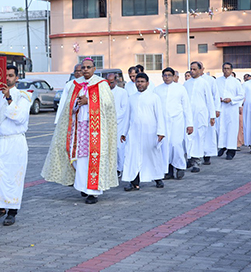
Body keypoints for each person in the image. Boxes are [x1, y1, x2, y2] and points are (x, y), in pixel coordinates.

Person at [42, 58, 118, 204]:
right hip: (79, 128)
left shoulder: (101, 84)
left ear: (94, 69)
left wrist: (89, 102)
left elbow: (108, 104)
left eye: (88, 67)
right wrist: (77, 104)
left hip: (95, 129)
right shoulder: (75, 85)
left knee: (92, 158)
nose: (85, 70)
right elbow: (67, 107)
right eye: (83, 68)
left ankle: (93, 192)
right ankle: (83, 186)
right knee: (79, 158)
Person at [0, 65, 31, 226]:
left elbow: (19, 118)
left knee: (13, 178)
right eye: (6, 75)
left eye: (11, 76)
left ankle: (12, 211)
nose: (8, 78)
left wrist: (9, 98)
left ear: (17, 78)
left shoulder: (22, 96)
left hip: (14, 143)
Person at [121, 73, 166, 191]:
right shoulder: (131, 98)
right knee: (133, 156)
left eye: (142, 81)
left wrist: (161, 132)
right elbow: (127, 117)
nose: (139, 84)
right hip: (134, 133)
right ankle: (133, 181)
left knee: (152, 155)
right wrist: (123, 133)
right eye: (138, 82)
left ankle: (157, 178)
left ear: (147, 83)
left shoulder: (154, 97)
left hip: (150, 132)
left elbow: (160, 116)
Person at [154, 68, 193, 180]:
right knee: (165, 147)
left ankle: (180, 167)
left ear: (173, 76)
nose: (167, 77)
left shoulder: (180, 89)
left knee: (176, 144)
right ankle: (168, 170)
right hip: (162, 122)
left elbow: (187, 107)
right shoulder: (157, 90)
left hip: (177, 121)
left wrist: (189, 124)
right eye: (165, 75)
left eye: (169, 75)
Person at [184, 62, 216, 173]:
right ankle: (190, 158)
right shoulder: (186, 84)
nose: (192, 71)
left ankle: (197, 161)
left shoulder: (204, 83)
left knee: (199, 136)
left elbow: (209, 100)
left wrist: (212, 115)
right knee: (189, 137)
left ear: (200, 70)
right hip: (188, 115)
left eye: (194, 69)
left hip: (201, 114)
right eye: (191, 69)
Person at [216, 62, 245, 160]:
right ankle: (222, 146)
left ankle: (231, 151)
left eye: (228, 68)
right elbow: (214, 94)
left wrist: (231, 99)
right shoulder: (217, 81)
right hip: (221, 108)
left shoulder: (236, 82)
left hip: (231, 108)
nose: (226, 70)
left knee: (231, 129)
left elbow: (241, 95)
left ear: (231, 70)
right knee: (221, 128)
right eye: (224, 68)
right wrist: (218, 98)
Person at [107, 73, 128, 177]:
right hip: (106, 124)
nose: (109, 84)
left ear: (116, 81)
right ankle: (111, 168)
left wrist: (113, 118)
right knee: (109, 147)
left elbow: (124, 109)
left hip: (119, 124)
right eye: (107, 82)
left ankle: (120, 168)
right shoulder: (103, 92)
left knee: (119, 147)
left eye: (111, 82)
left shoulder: (122, 92)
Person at [200, 65, 220, 165]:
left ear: (202, 69)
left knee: (207, 134)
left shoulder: (209, 80)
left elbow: (215, 95)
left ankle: (207, 155)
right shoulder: (189, 82)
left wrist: (216, 110)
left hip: (208, 111)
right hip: (195, 113)